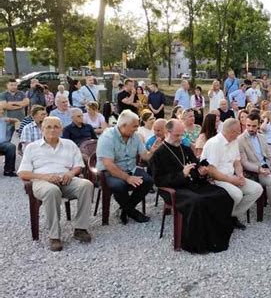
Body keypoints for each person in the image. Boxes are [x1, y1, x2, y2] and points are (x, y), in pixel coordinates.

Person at [151, 120, 234, 253]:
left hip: (192, 185)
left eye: (182, 135)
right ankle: (198, 242)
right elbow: (158, 180)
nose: (180, 139)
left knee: (222, 195)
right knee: (197, 202)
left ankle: (215, 235)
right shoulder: (159, 154)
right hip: (174, 189)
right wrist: (181, 174)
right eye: (177, 135)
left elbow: (195, 168)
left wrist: (201, 173)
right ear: (167, 132)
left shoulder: (185, 149)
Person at [17, 116, 94, 251]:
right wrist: (45, 177)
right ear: (42, 129)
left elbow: (78, 166)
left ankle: (80, 228)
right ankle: (54, 236)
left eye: (56, 127)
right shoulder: (32, 148)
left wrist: (70, 174)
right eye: (49, 127)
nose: (52, 130)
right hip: (42, 181)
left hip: (65, 179)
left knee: (86, 185)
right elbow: (23, 173)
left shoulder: (69, 144)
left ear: (61, 129)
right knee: (52, 191)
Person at [96, 110, 159, 224]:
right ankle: (132, 212)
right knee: (119, 185)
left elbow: (145, 156)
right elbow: (109, 165)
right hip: (111, 172)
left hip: (131, 169)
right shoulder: (107, 137)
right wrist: (128, 178)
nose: (137, 128)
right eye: (134, 126)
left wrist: (152, 151)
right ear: (123, 126)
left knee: (148, 181)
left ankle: (126, 210)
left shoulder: (135, 136)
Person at [201, 118, 263, 230]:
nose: (240, 133)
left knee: (257, 189)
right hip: (215, 179)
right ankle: (226, 218)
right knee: (237, 194)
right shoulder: (214, 144)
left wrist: (240, 175)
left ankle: (230, 215)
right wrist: (231, 180)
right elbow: (211, 170)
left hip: (231, 176)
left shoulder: (234, 141)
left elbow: (237, 162)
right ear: (232, 132)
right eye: (238, 131)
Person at [0, 106, 18, 177]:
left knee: (11, 146)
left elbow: (16, 120)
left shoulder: (3, 120)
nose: (2, 112)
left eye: (2, 110)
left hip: (3, 143)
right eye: (0, 110)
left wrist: (12, 120)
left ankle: (8, 170)